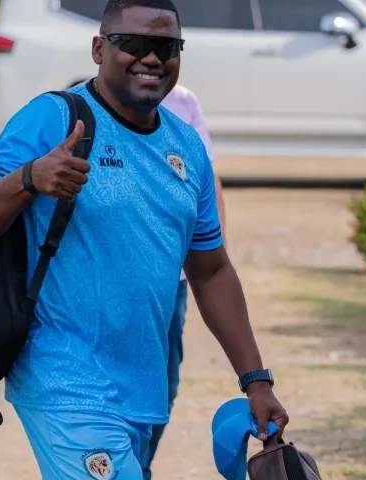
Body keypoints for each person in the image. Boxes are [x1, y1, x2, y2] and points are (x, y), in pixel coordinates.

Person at [0, 1, 288, 478]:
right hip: (64, 379)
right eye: (133, 44)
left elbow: (211, 271)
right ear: (98, 49)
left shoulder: (187, 146)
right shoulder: (52, 118)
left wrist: (256, 381)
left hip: (142, 392)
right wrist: (30, 177)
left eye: (166, 46)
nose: (151, 58)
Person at [140, 83, 226, 479]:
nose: (150, 60)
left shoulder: (183, 102)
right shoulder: (78, 105)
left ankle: (140, 464)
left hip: (171, 276)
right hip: (107, 274)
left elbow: (207, 179)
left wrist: (215, 259)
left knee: (164, 380)